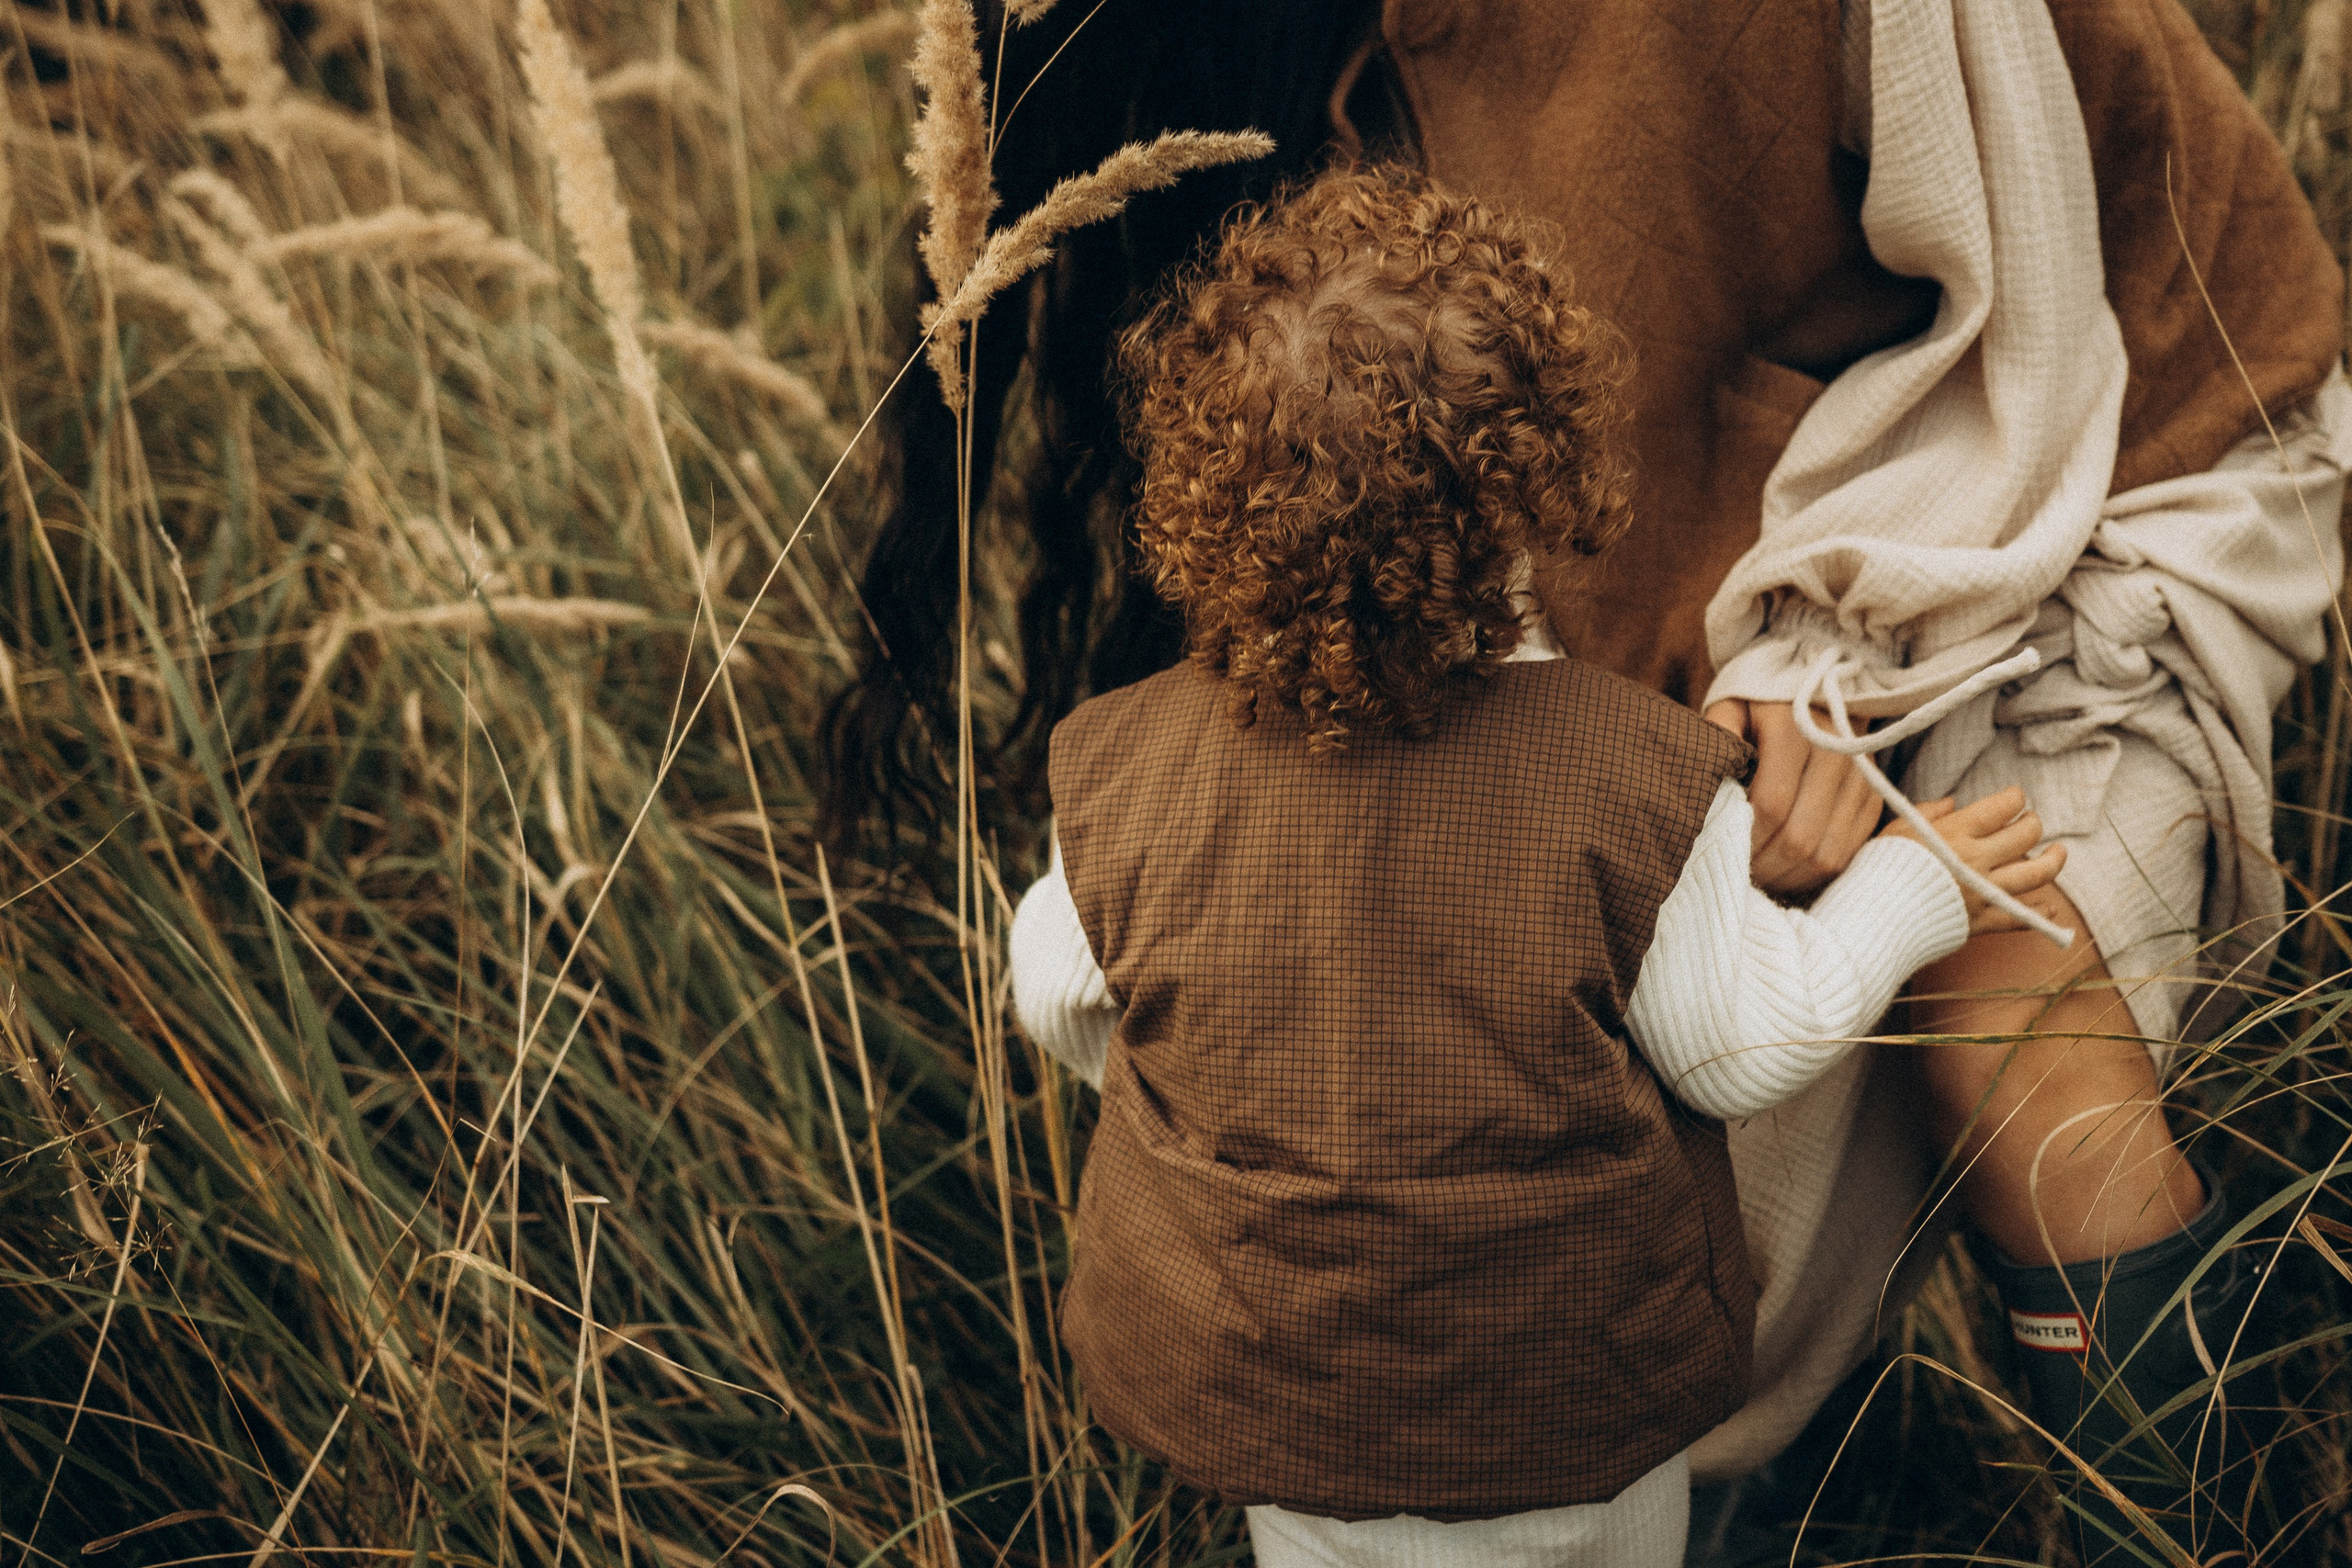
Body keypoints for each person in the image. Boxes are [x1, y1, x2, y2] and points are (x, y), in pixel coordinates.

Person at [826, 1, 2350, 1555]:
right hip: (1632, 663)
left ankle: (2183, 1523)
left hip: (2061, 492)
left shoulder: (1159, 775)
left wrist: (1825, 666)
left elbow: (2034, 343)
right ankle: (1744, 1462)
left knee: (2010, 995)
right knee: (1632, 1171)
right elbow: (1727, 1030)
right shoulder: (1273, 70)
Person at [1007, 165, 2069, 1568]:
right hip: (1569, 1410)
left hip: (1280, 1403)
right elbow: (1739, 1047)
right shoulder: (1627, 778)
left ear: (1207, 499)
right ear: (1529, 481)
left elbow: (1055, 992)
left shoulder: (1134, 768)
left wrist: (1194, 1088)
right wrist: (1911, 887)